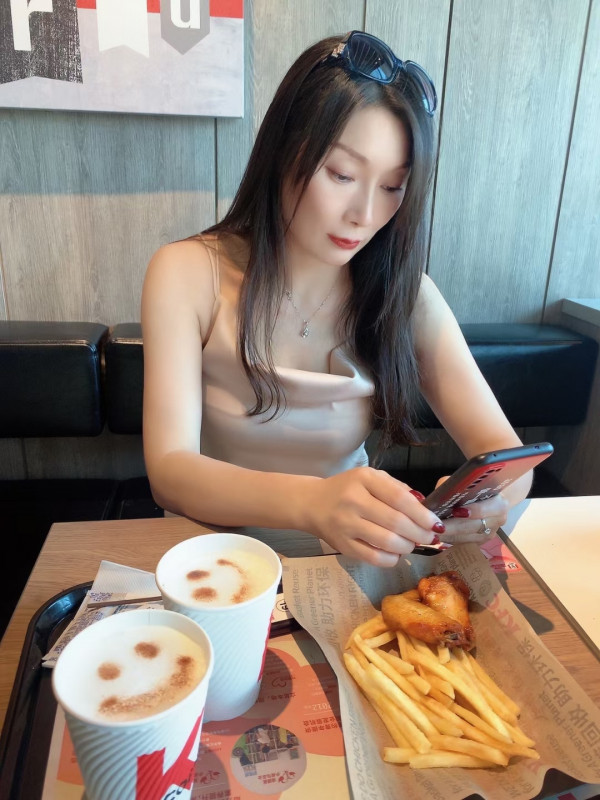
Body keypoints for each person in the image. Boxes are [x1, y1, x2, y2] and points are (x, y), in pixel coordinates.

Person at [141, 31, 532, 567]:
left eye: (392, 187)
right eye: (342, 174)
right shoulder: (187, 273)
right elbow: (170, 470)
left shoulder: (406, 295)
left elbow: (509, 460)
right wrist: (314, 502)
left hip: (348, 564)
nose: (364, 215)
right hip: (213, 564)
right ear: (283, 151)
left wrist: (485, 501)